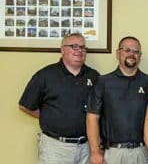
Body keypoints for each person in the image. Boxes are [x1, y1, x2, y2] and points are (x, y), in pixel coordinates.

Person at [19, 33, 99, 164]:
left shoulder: (94, 76)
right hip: (55, 147)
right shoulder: (45, 75)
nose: (79, 51)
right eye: (74, 46)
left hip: (86, 147)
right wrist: (49, 117)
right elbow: (25, 105)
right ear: (62, 50)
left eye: (83, 47)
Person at [86, 36, 148, 164]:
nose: (132, 54)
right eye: (127, 50)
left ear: (140, 56)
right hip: (112, 153)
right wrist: (95, 151)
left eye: (136, 52)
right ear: (118, 53)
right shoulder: (103, 82)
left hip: (143, 152)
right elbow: (92, 117)